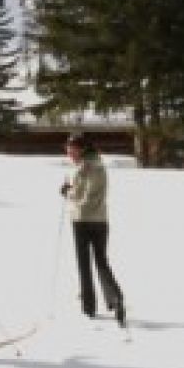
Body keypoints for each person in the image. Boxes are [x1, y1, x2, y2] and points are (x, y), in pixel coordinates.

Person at [60, 132, 126, 326]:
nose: (69, 153)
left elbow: (89, 197)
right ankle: (112, 299)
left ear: (82, 148)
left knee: (87, 263)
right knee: (100, 261)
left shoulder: (91, 166)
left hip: (84, 220)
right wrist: (70, 189)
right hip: (98, 220)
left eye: (72, 149)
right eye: (67, 149)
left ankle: (91, 306)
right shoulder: (87, 165)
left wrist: (69, 192)